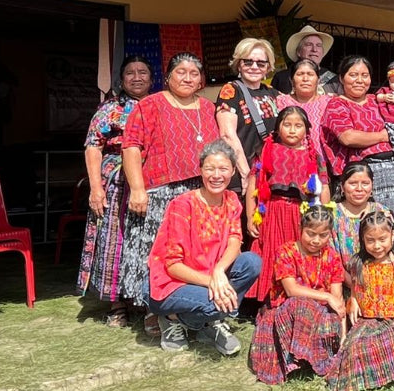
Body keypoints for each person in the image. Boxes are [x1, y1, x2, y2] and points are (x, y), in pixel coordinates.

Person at [121, 53, 219, 328]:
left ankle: (188, 306)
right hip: (160, 192)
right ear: (168, 76)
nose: (188, 78)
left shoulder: (209, 109)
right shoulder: (149, 105)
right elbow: (131, 147)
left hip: (197, 193)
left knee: (190, 253)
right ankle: (153, 310)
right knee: (155, 251)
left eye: (194, 73)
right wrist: (138, 189)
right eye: (181, 72)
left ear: (201, 79)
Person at [145, 139, 262, 355]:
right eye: (210, 168)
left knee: (252, 262)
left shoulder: (232, 200)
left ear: (233, 171)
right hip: (173, 284)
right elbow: (172, 266)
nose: (216, 175)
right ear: (200, 170)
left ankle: (209, 321)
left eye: (223, 169)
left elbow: (235, 240)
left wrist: (218, 272)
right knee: (218, 304)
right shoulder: (183, 205)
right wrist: (213, 283)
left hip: (209, 273)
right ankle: (172, 318)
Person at [78, 55, 153, 326]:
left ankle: (148, 302)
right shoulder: (110, 108)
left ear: (151, 78)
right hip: (115, 183)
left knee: (148, 241)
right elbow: (93, 146)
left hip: (151, 183)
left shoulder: (158, 105)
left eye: (142, 72)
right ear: (121, 80)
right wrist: (96, 188)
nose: (136, 77)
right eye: (130, 73)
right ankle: (116, 304)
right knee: (114, 240)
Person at [326, 208, 394, 391]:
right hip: (368, 321)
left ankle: (384, 373)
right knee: (356, 346)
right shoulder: (359, 264)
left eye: (382, 239)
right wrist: (352, 300)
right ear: (363, 240)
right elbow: (354, 291)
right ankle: (374, 376)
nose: (377, 246)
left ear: (392, 236)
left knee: (391, 341)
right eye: (371, 240)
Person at [249, 204, 347, 384]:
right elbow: (291, 290)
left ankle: (310, 359)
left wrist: (344, 336)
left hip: (320, 314)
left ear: (330, 234)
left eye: (322, 235)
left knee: (329, 318)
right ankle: (295, 358)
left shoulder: (332, 257)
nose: (316, 240)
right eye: (311, 233)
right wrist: (325, 296)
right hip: (286, 310)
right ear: (300, 229)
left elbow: (337, 299)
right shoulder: (286, 252)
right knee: (301, 305)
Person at [244, 106, 330, 302]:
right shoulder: (266, 151)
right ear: (277, 128)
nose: (292, 130)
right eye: (287, 125)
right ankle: (267, 300)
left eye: (298, 125)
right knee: (271, 253)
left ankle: (297, 297)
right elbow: (253, 185)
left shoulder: (313, 156)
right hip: (272, 212)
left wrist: (324, 218)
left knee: (297, 255)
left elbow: (323, 186)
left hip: (301, 214)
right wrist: (251, 216)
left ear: (307, 130)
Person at [321, 55, 394, 245]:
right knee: (369, 230)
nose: (360, 80)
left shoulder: (378, 101)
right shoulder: (337, 105)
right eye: (353, 75)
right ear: (341, 78)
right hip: (363, 177)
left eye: (365, 75)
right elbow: (348, 137)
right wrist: (385, 135)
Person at [215, 37, 287, 194]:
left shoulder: (273, 92)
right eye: (248, 62)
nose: (254, 67)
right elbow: (227, 135)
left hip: (270, 175)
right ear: (239, 65)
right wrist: (247, 174)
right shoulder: (231, 91)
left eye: (261, 63)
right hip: (244, 175)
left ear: (268, 68)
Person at [330, 162, 389, 264]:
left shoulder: (382, 212)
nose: (359, 189)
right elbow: (330, 258)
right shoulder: (332, 215)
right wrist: (352, 280)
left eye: (365, 184)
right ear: (342, 187)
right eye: (353, 184)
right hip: (340, 277)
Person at [284, 58, 331, 170]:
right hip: (290, 165)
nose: (305, 79)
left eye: (310, 74)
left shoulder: (329, 102)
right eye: (300, 74)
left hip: (323, 167)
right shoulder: (281, 101)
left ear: (318, 80)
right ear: (292, 80)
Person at [271, 25, 341, 96]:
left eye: (318, 45)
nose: (314, 49)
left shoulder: (334, 80)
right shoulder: (282, 77)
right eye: (309, 45)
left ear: (322, 52)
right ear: (298, 51)